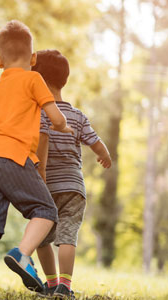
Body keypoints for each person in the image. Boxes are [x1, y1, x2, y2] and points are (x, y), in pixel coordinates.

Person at [0, 20, 73, 299]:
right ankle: (22, 254)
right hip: (12, 155)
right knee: (46, 211)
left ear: (0, 61)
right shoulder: (34, 79)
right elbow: (55, 116)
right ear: (33, 59)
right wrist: (63, 126)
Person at [33, 49, 112, 299]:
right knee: (68, 235)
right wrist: (105, 155)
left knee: (42, 238)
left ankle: (51, 282)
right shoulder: (77, 116)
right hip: (73, 187)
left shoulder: (38, 113)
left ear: (39, 81)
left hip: (45, 186)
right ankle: (65, 286)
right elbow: (95, 142)